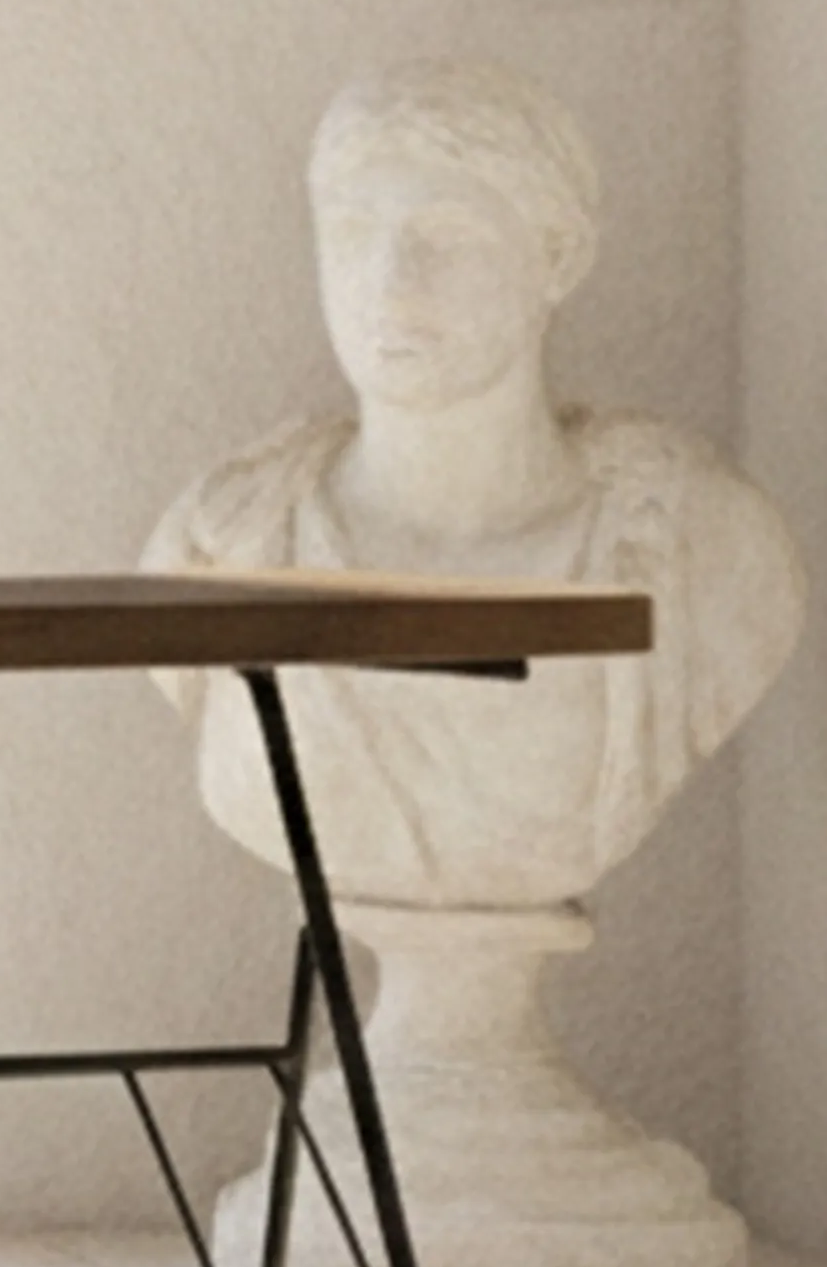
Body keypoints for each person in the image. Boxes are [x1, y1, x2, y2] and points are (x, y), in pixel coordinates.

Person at [145, 57, 799, 909]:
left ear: (557, 257)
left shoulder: (704, 545)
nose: (389, 283)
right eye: (351, 232)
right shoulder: (220, 542)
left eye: (446, 237)